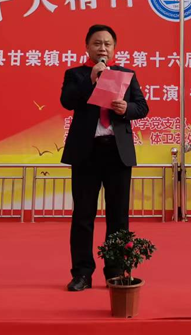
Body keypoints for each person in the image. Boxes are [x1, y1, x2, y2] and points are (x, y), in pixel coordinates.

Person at [60, 24, 149, 291]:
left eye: (107, 44)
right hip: (86, 152)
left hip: (117, 153)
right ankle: (82, 274)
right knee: (83, 215)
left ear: (114, 48)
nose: (102, 48)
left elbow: (142, 107)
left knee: (118, 216)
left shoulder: (126, 74)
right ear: (87, 47)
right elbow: (67, 101)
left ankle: (115, 271)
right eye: (97, 43)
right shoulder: (76, 74)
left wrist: (126, 108)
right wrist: (91, 80)